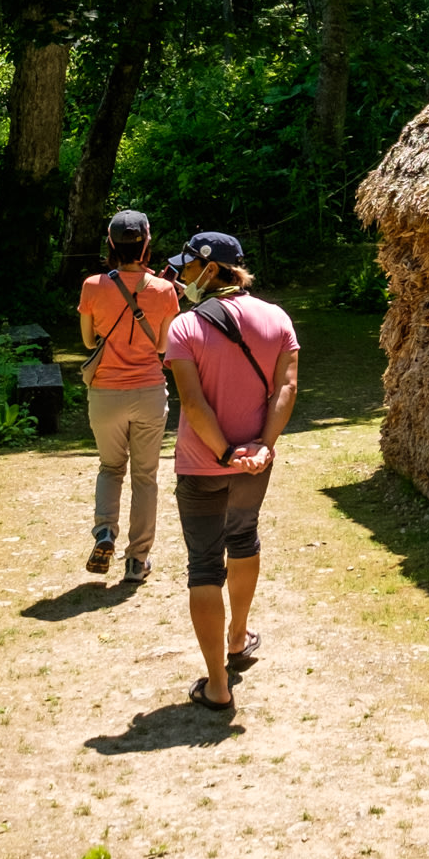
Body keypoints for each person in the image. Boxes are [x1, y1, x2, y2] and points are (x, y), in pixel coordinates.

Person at [162, 230, 298, 713]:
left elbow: (192, 404)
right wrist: (261, 447)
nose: (181, 276)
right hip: (255, 464)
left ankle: (217, 684)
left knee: (204, 564)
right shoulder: (278, 318)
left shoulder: (184, 328)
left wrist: (223, 453)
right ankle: (239, 636)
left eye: (188, 267)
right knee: (244, 540)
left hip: (203, 466)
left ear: (212, 269)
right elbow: (286, 387)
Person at [77, 210, 182, 583]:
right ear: (146, 243)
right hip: (149, 392)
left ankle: (105, 531)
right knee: (145, 476)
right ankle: (137, 560)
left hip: (105, 392)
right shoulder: (165, 290)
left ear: (111, 243)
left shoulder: (92, 286)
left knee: (110, 468)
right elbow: (163, 346)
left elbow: (89, 341)